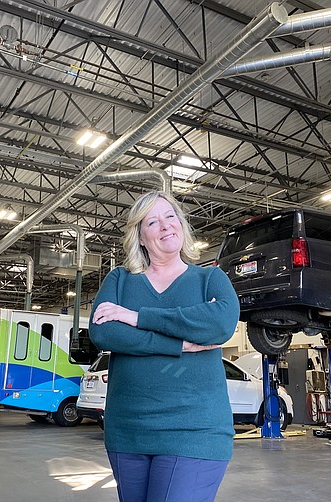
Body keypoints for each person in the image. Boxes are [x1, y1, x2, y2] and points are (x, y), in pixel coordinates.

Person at [89, 190, 240, 502]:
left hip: (195, 429)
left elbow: (220, 325)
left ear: (181, 225)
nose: (165, 226)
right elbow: (103, 333)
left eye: (171, 216)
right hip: (128, 429)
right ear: (141, 237)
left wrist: (136, 316)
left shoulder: (210, 278)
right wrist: (180, 344)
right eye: (152, 222)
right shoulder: (120, 279)